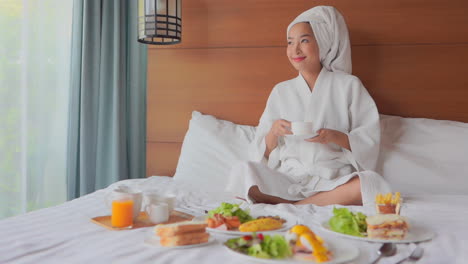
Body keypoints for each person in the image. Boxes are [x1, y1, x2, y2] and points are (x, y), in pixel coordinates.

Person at [225, 6, 390, 206]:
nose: (295, 50)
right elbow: (261, 153)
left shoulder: (349, 85)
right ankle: (311, 202)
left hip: (333, 179)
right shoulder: (281, 91)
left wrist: (334, 136)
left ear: (323, 42)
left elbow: (369, 141)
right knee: (242, 171)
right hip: (288, 178)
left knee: (371, 183)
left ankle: (296, 206)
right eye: (290, 42)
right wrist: (274, 133)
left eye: (304, 40)